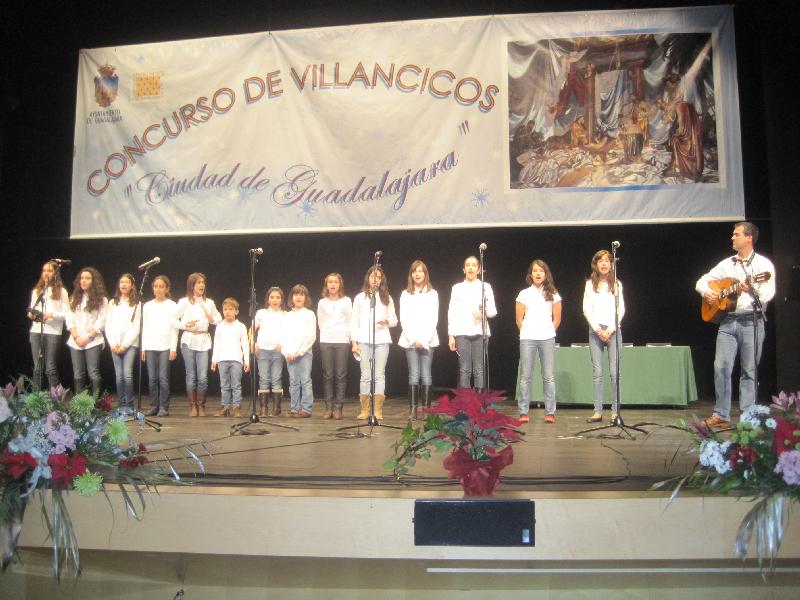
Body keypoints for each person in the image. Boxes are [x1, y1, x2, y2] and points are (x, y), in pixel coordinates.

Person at [696, 222, 776, 427]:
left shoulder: (763, 265)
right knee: (721, 367)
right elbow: (702, 281)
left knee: (749, 371)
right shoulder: (727, 263)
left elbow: (768, 294)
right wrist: (709, 292)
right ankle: (721, 414)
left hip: (752, 320)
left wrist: (750, 290)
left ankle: (747, 417)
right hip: (728, 322)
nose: (732, 237)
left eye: (736, 234)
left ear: (749, 238)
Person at [515, 260, 562, 424]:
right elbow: (518, 319)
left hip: (547, 338)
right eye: (535, 271)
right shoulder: (524, 294)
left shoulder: (553, 293)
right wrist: (526, 332)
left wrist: (548, 331)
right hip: (527, 338)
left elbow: (557, 319)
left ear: (545, 274)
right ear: (530, 274)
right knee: (525, 377)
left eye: (541, 270)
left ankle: (550, 412)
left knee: (548, 376)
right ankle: (523, 412)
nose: (537, 273)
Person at [582, 250, 625, 423]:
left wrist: (611, 329)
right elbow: (586, 309)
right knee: (598, 373)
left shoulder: (617, 284)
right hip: (596, 332)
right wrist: (598, 330)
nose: (604, 264)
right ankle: (598, 411)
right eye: (601, 261)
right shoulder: (589, 285)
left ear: (611, 264)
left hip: (613, 331)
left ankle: (615, 412)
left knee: (615, 373)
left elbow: (621, 309)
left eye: (607, 260)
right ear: (596, 264)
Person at [350, 266, 397, 420]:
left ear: (382, 279)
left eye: (378, 277)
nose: (375, 279)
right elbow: (354, 321)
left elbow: (395, 320)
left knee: (379, 375)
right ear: (368, 278)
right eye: (372, 276)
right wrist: (354, 342)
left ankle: (377, 410)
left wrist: (386, 321)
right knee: (365, 375)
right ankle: (365, 410)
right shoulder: (360, 298)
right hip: (364, 340)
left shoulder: (387, 298)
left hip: (382, 340)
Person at [175, 272, 222, 418]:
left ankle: (201, 405)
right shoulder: (184, 302)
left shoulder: (209, 302)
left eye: (203, 282)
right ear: (192, 286)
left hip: (203, 341)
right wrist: (184, 325)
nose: (202, 285)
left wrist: (211, 318)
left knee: (202, 376)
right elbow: (172, 320)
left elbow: (219, 319)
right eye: (198, 283)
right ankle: (193, 406)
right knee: (191, 375)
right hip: (188, 340)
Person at [447, 256, 497, 390]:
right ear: (464, 269)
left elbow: (493, 311)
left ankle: (479, 402)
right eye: (468, 265)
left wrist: (483, 313)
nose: (470, 268)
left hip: (480, 332)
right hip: (462, 333)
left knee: (479, 369)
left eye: (474, 265)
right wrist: (451, 335)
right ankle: (466, 401)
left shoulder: (485, 287)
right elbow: (452, 312)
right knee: (464, 369)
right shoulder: (457, 288)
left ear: (479, 269)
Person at [398, 260, 439, 419]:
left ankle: (426, 410)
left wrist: (424, 339)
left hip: (428, 339)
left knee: (426, 374)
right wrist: (414, 338)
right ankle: (413, 410)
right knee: (414, 374)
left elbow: (434, 318)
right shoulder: (405, 294)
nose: (417, 274)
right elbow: (404, 318)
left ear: (425, 274)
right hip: (410, 340)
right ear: (411, 274)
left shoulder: (433, 293)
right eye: (414, 271)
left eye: (420, 271)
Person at [66, 267, 108, 397]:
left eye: (87, 278)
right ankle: (80, 403)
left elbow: (101, 320)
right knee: (78, 374)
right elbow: (69, 319)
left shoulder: (102, 299)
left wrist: (88, 338)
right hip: (75, 340)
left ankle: (96, 402)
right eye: (82, 278)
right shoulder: (74, 298)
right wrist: (76, 336)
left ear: (94, 281)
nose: (83, 281)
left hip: (93, 341)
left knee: (93, 373)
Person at [28, 260, 69, 390]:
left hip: (53, 332)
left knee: (50, 367)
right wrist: (31, 314)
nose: (46, 273)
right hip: (36, 330)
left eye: (50, 271)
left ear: (56, 273)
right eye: (44, 270)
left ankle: (56, 398)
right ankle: (36, 398)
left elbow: (67, 313)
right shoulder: (37, 291)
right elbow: (32, 308)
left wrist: (52, 314)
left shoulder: (62, 292)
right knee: (37, 367)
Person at [141, 275, 179, 417]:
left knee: (163, 377)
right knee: (152, 378)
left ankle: (164, 406)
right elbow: (145, 327)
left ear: (167, 289)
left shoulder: (172, 305)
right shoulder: (147, 306)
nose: (158, 289)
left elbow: (175, 328)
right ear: (153, 288)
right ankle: (154, 405)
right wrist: (143, 348)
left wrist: (173, 348)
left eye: (161, 286)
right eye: (156, 286)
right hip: (151, 345)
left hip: (166, 346)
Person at [317, 273, 352, 420]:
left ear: (340, 285)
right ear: (326, 285)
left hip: (342, 340)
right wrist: (327, 333)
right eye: (330, 282)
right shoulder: (322, 303)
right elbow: (320, 322)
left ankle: (338, 408)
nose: (332, 284)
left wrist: (350, 338)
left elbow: (350, 321)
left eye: (335, 282)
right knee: (328, 375)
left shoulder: (347, 301)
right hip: (326, 340)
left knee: (340, 375)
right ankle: (328, 407)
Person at [105, 273, 141, 415]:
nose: (124, 284)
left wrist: (125, 344)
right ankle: (122, 405)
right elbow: (108, 324)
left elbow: (136, 326)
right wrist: (113, 343)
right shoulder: (112, 302)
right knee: (119, 376)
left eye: (126, 282)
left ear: (132, 285)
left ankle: (130, 406)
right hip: (115, 344)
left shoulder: (137, 303)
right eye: (121, 282)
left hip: (129, 344)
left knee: (127, 374)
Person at [211, 298, 251, 418]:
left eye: (230, 309)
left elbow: (245, 344)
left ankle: (237, 407)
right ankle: (225, 407)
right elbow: (216, 343)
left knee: (236, 385)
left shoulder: (241, 326)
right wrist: (214, 360)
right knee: (224, 385)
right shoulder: (220, 326)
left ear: (236, 311)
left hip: (236, 359)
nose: (227, 312)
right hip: (222, 359)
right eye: (225, 309)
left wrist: (247, 361)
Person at [281, 285, 316, 417]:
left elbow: (311, 336)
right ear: (292, 298)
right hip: (290, 354)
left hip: (304, 353)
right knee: (293, 381)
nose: (298, 297)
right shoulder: (287, 315)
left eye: (301, 295)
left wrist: (299, 352)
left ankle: (306, 409)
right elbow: (283, 335)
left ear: (306, 298)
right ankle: (294, 408)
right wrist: (286, 352)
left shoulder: (309, 314)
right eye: (296, 294)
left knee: (305, 380)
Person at [254, 287, 286, 417]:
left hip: (277, 351)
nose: (275, 300)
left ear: (281, 300)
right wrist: (253, 343)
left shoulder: (285, 314)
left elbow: (289, 332)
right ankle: (263, 408)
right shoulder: (261, 313)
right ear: (268, 299)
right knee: (264, 378)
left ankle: (276, 408)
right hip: (262, 350)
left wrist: (283, 344)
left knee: (276, 378)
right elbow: (252, 329)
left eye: (278, 297)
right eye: (272, 297)